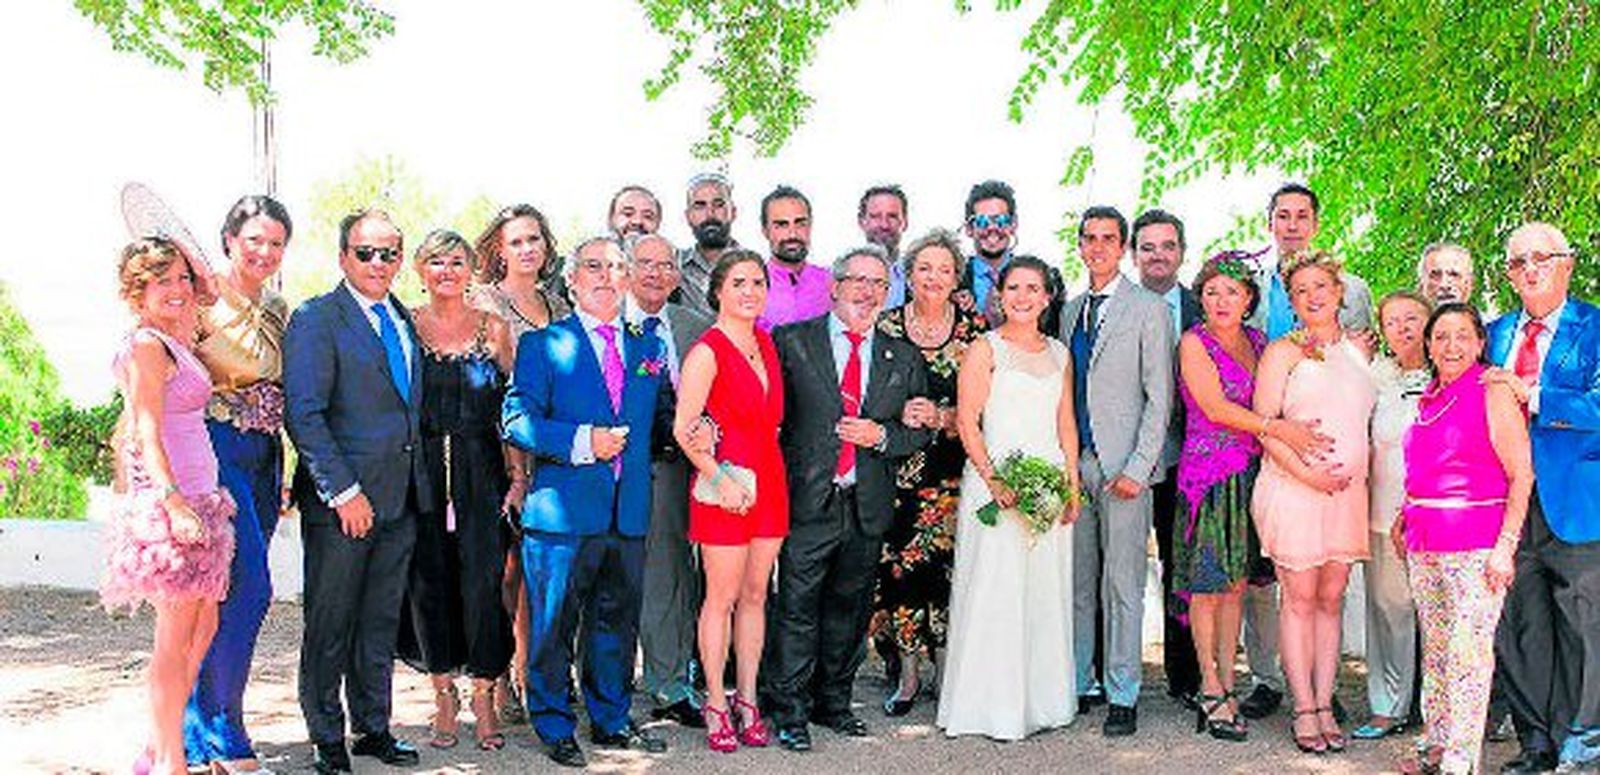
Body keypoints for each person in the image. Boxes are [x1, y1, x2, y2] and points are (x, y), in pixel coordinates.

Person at [501, 235, 670, 767]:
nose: (604, 275)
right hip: (562, 515)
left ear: (627, 279)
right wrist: (580, 443)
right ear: (571, 280)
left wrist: (700, 428)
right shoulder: (543, 345)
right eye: (592, 267)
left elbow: (661, 420)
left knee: (616, 623)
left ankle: (612, 719)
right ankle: (552, 724)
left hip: (630, 509)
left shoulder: (648, 347)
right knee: (553, 626)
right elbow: (516, 420)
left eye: (615, 267)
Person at [762, 245, 931, 753]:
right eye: (856, 280)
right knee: (795, 608)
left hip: (866, 502)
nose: (865, 290)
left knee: (849, 609)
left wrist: (880, 436)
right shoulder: (793, 342)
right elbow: (769, 417)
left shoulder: (902, 356)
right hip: (806, 500)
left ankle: (833, 703)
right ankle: (788, 710)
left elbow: (915, 432)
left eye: (878, 283)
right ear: (834, 286)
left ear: (887, 293)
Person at [284, 210, 429, 773]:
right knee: (332, 620)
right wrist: (343, 492)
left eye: (390, 253)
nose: (379, 263)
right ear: (344, 256)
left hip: (400, 500)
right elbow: (305, 414)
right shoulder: (317, 319)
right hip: (344, 504)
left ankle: (373, 728)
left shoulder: (400, 318)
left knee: (378, 621)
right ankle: (326, 736)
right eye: (367, 252)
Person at [1175, 252, 1331, 742]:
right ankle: (1210, 686)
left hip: (1252, 475)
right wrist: (1277, 427)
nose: (1222, 301)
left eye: (1233, 292)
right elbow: (1216, 408)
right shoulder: (1193, 343)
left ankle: (1227, 679)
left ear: (1248, 300)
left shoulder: (1262, 343)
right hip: (1208, 479)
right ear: (1201, 297)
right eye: (1212, 291)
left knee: (1236, 585)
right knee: (1208, 587)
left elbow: (1302, 370)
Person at [1240, 183, 1372, 723]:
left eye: (1322, 287)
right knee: (1295, 598)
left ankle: (1325, 697)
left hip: (1348, 495)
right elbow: (1266, 429)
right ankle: (1303, 708)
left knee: (1331, 599)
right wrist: (1310, 477)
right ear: (1288, 300)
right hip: (1294, 489)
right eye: (1301, 291)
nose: (1313, 296)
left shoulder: (1361, 348)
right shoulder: (1280, 351)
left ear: (1339, 291)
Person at [105, 237, 237, 775]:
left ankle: (158, 746)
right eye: (163, 281)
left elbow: (214, 296)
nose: (179, 289)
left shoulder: (174, 341)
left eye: (183, 278)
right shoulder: (145, 346)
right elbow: (144, 430)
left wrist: (198, 280)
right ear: (137, 293)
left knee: (202, 626)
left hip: (202, 498)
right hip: (173, 502)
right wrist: (171, 501)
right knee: (175, 634)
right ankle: (170, 763)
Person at [939, 255, 1082, 740]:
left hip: (1048, 487)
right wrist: (994, 479)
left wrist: (1071, 485)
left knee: (1043, 591)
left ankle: (1041, 702)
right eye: (1014, 287)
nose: (1022, 297)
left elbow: (1066, 424)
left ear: (1047, 297)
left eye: (1033, 288)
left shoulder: (1061, 353)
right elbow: (966, 420)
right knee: (996, 591)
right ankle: (989, 706)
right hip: (995, 483)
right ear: (1000, 294)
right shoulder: (985, 348)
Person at [1393, 303, 1534, 775]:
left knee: (1468, 657)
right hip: (1424, 541)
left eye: (1462, 336)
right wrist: (1402, 516)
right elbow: (1427, 469)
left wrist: (1506, 547)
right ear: (1429, 346)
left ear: (1478, 343)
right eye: (1441, 337)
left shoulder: (1490, 390)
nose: (1451, 346)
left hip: (1477, 547)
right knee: (1435, 650)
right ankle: (1435, 746)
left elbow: (1521, 475)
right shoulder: (1430, 396)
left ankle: (1459, 762)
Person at [394, 230, 518, 752]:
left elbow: (514, 409)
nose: (447, 270)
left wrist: (518, 477)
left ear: (471, 269)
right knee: (428, 582)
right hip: (421, 471)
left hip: (483, 472)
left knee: (484, 584)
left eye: (456, 261)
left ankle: (485, 694)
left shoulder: (494, 328)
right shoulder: (405, 327)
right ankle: (442, 693)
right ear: (421, 270)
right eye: (436, 261)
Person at [1484, 222, 1600, 774]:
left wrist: (1533, 395)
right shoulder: (1493, 332)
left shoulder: (1595, 326)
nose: (1529, 269)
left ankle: (1584, 737)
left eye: (1541, 258)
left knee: (1582, 622)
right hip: (1507, 505)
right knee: (1521, 623)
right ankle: (1537, 743)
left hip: (1576, 500)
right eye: (1517, 262)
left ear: (1567, 263)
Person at [183, 195, 291, 774]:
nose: (265, 252)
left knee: (225, 595)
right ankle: (220, 733)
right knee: (246, 588)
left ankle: (201, 732)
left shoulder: (277, 307)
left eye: (275, 243)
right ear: (229, 239)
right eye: (255, 240)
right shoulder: (199, 300)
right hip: (216, 449)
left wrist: (291, 470)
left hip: (265, 454)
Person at [1061, 206, 1174, 737]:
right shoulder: (1068, 309)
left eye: (1110, 238)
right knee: (1079, 583)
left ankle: (1123, 691)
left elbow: (1160, 398)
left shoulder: (1149, 309)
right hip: (1076, 464)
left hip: (1126, 467)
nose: (1099, 246)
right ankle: (1084, 681)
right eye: (1090, 238)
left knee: (1123, 583)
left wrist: (1138, 465)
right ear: (1080, 246)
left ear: (1123, 246)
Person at [673, 249, 789, 752]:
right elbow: (683, 429)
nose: (749, 291)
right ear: (717, 290)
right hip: (724, 484)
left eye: (758, 282)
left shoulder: (766, 342)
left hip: (770, 478)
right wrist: (718, 478)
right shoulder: (707, 350)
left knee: (756, 595)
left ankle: (748, 699)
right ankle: (716, 702)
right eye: (738, 281)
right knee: (719, 598)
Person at [869, 229, 987, 716]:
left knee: (950, 571)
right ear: (908, 274)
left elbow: (990, 403)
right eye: (924, 268)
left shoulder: (975, 329)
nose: (933, 278)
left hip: (956, 471)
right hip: (896, 470)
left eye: (943, 269)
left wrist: (943, 416)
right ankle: (908, 675)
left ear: (956, 276)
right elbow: (868, 393)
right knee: (899, 571)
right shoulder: (886, 326)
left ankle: (948, 671)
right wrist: (900, 416)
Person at [467, 202, 567, 721]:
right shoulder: (483, 301)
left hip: (553, 446)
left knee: (538, 570)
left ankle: (536, 670)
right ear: (498, 250)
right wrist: (515, 470)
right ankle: (498, 673)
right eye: (516, 242)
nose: (527, 249)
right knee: (503, 569)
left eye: (534, 239)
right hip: (496, 443)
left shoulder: (560, 304)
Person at [626, 233, 715, 728]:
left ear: (679, 275)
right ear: (626, 269)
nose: (656, 274)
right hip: (615, 467)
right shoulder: (606, 324)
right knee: (607, 577)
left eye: (666, 265)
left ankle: (670, 681)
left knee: (672, 574)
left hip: (680, 469)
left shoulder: (695, 328)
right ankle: (600, 681)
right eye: (645, 264)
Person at [1133, 208, 1204, 710]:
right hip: (1127, 458)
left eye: (1167, 245)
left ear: (1181, 251)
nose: (1159, 255)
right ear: (1135, 254)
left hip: (1188, 459)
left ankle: (1187, 676)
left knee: (1183, 566)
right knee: (1117, 567)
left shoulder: (1205, 305)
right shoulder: (1113, 305)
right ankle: (1110, 676)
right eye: (1148, 246)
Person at [1355, 291, 1432, 742]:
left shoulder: (1449, 372)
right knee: (1388, 610)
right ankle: (1388, 706)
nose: (1402, 328)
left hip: (1436, 516)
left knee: (1436, 616)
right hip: (1381, 513)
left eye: (1412, 319)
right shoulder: (1376, 375)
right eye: (1392, 321)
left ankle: (1440, 711)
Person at [957, 179, 1063, 333]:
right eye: (982, 221)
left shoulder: (1045, 279)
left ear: (1013, 225)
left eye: (1001, 220)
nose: (992, 228)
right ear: (969, 228)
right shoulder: (951, 280)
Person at [757, 185, 830, 329]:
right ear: (765, 230)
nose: (792, 234)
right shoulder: (751, 286)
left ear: (810, 225)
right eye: (781, 225)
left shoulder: (832, 284)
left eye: (800, 224)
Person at [674, 172, 739, 314]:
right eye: (700, 206)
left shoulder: (756, 266)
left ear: (733, 212)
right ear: (688, 216)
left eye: (719, 205)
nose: (710, 214)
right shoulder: (673, 266)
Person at [858, 184, 911, 307]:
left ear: (905, 222)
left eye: (892, 216)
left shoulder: (919, 277)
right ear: (861, 221)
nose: (884, 225)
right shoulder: (839, 276)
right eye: (875, 216)